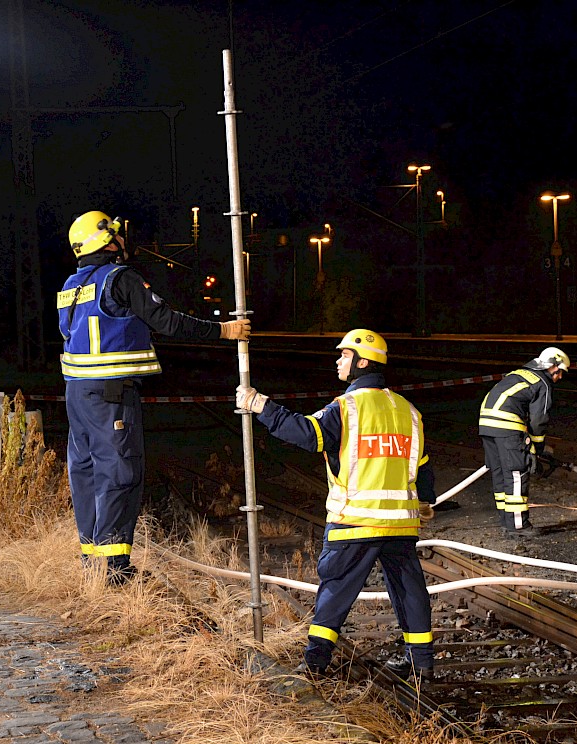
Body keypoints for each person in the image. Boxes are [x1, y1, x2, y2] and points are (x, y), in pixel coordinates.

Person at [60, 210, 250, 585]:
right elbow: (166, 320)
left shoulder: (71, 286)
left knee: (86, 474)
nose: (121, 241)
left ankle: (93, 564)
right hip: (111, 394)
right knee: (119, 472)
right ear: (106, 241)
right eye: (116, 235)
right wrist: (224, 331)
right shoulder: (121, 279)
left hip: (76, 395)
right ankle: (115, 572)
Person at [237, 329, 437, 681]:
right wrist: (425, 502)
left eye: (344, 356)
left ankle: (315, 663)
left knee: (336, 590)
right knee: (409, 591)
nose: (338, 361)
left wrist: (261, 406)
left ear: (362, 363)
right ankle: (422, 665)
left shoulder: (347, 408)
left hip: (354, 521)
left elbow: (306, 434)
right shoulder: (409, 411)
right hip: (401, 525)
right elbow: (423, 469)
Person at [478, 346, 570, 534]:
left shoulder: (520, 373)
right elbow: (539, 419)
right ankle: (518, 526)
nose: (560, 378)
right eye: (560, 373)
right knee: (516, 474)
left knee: (500, 473)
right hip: (507, 424)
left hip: (485, 423)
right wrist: (537, 445)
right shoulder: (542, 383)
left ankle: (506, 521)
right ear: (553, 367)